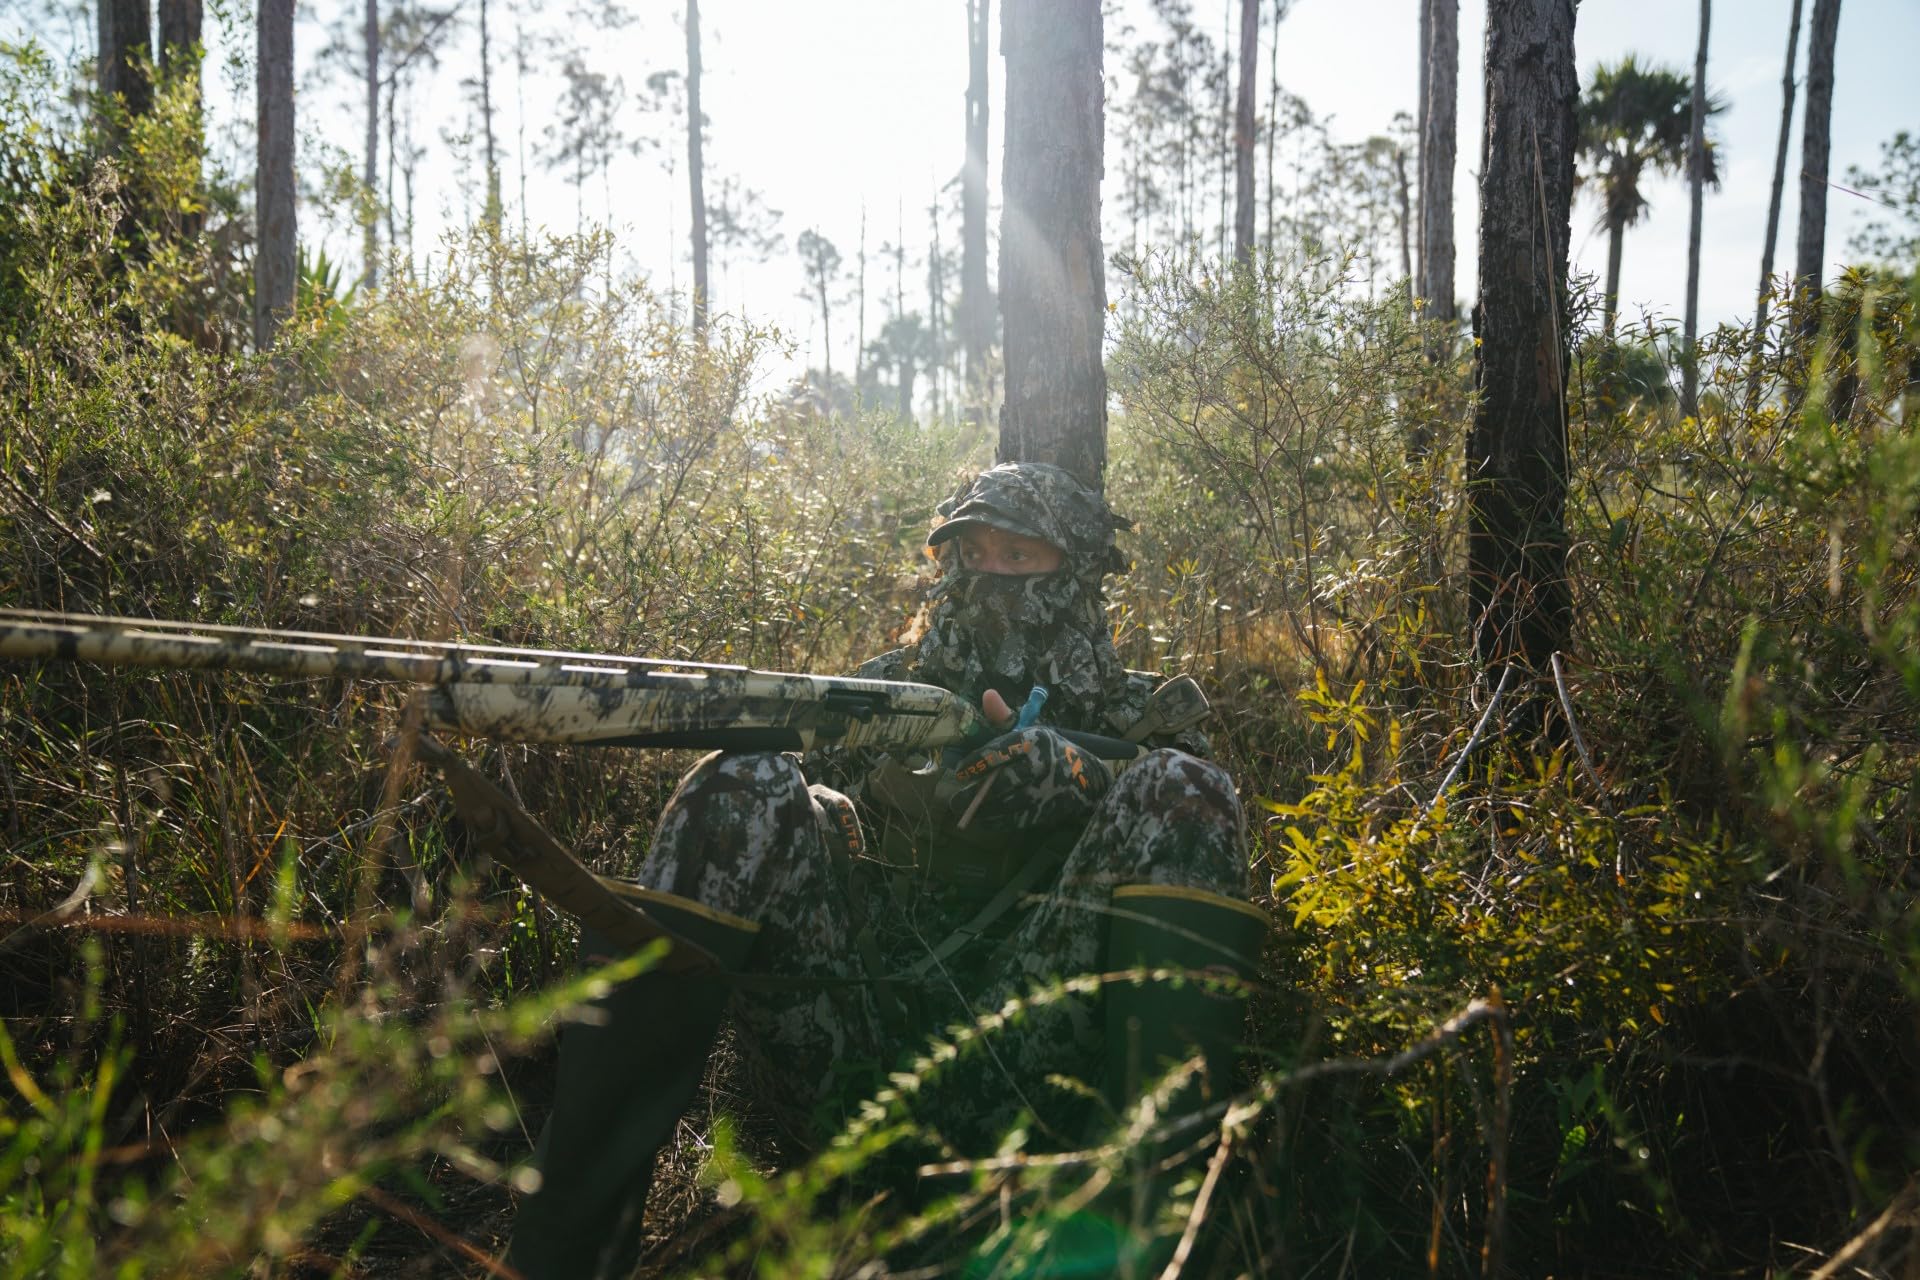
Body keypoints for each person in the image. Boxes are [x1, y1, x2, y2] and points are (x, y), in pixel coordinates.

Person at [506, 462, 1266, 1279]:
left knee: (1181, 788)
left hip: (1047, 1076)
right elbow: (789, 822)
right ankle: (562, 1254)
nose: (991, 576)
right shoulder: (875, 693)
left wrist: (1081, 777)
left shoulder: (1144, 717)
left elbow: (1203, 816)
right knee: (743, 783)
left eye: (1020, 556)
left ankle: (1153, 1238)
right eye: (971, 554)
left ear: (1074, 572)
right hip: (851, 1061)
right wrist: (831, 807)